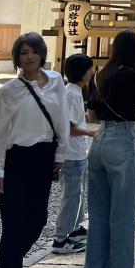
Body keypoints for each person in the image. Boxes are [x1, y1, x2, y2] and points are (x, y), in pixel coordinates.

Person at [0, 32, 69, 268]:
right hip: (16, 159)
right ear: (17, 57)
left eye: (34, 51)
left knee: (37, 220)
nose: (29, 57)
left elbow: (61, 117)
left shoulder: (57, 81)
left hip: (44, 157)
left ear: (42, 53)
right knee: (12, 224)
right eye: (23, 52)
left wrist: (61, 153)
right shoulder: (9, 90)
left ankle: (11, 265)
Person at [83, 30, 135, 268]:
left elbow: (91, 114)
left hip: (100, 140)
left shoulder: (102, 74)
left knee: (98, 214)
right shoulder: (131, 75)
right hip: (123, 140)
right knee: (123, 215)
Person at [52, 54, 95, 254]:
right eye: (90, 69)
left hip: (77, 152)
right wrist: (90, 132)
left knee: (77, 194)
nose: (92, 72)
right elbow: (68, 126)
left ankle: (75, 228)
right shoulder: (72, 94)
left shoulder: (74, 91)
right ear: (83, 72)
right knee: (72, 195)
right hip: (71, 152)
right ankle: (60, 238)